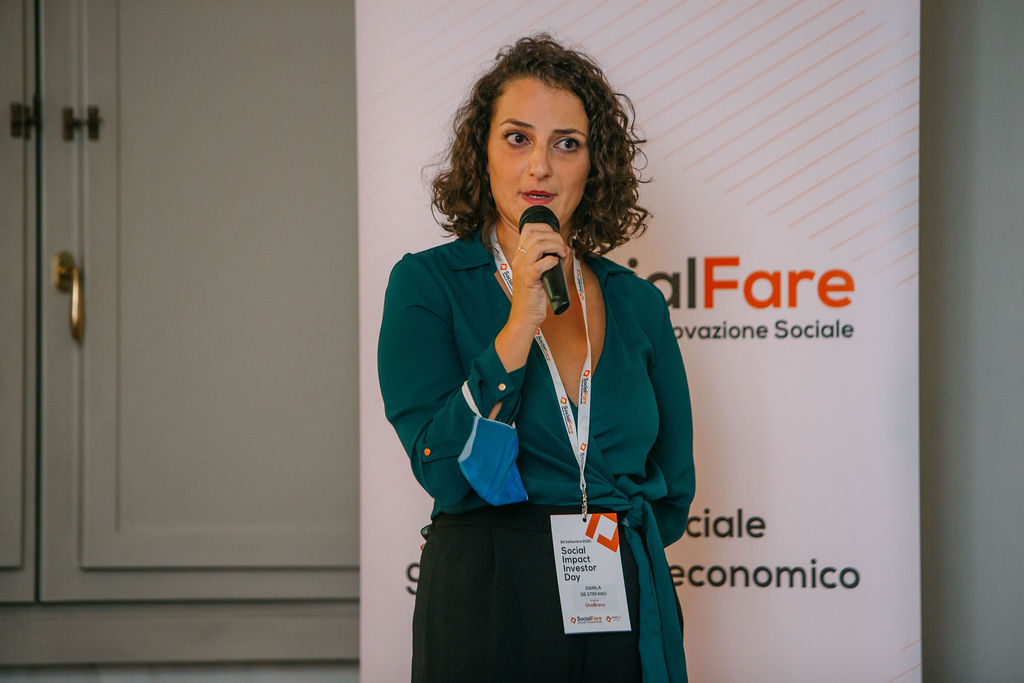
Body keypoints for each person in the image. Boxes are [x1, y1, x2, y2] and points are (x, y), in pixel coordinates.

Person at [378, 34, 695, 683]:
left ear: (594, 165)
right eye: (518, 138)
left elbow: (673, 483)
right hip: (489, 590)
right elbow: (444, 470)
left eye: (567, 143)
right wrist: (519, 323)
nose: (541, 167)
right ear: (483, 152)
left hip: (619, 589)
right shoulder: (427, 284)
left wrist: (609, 541)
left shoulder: (637, 302)